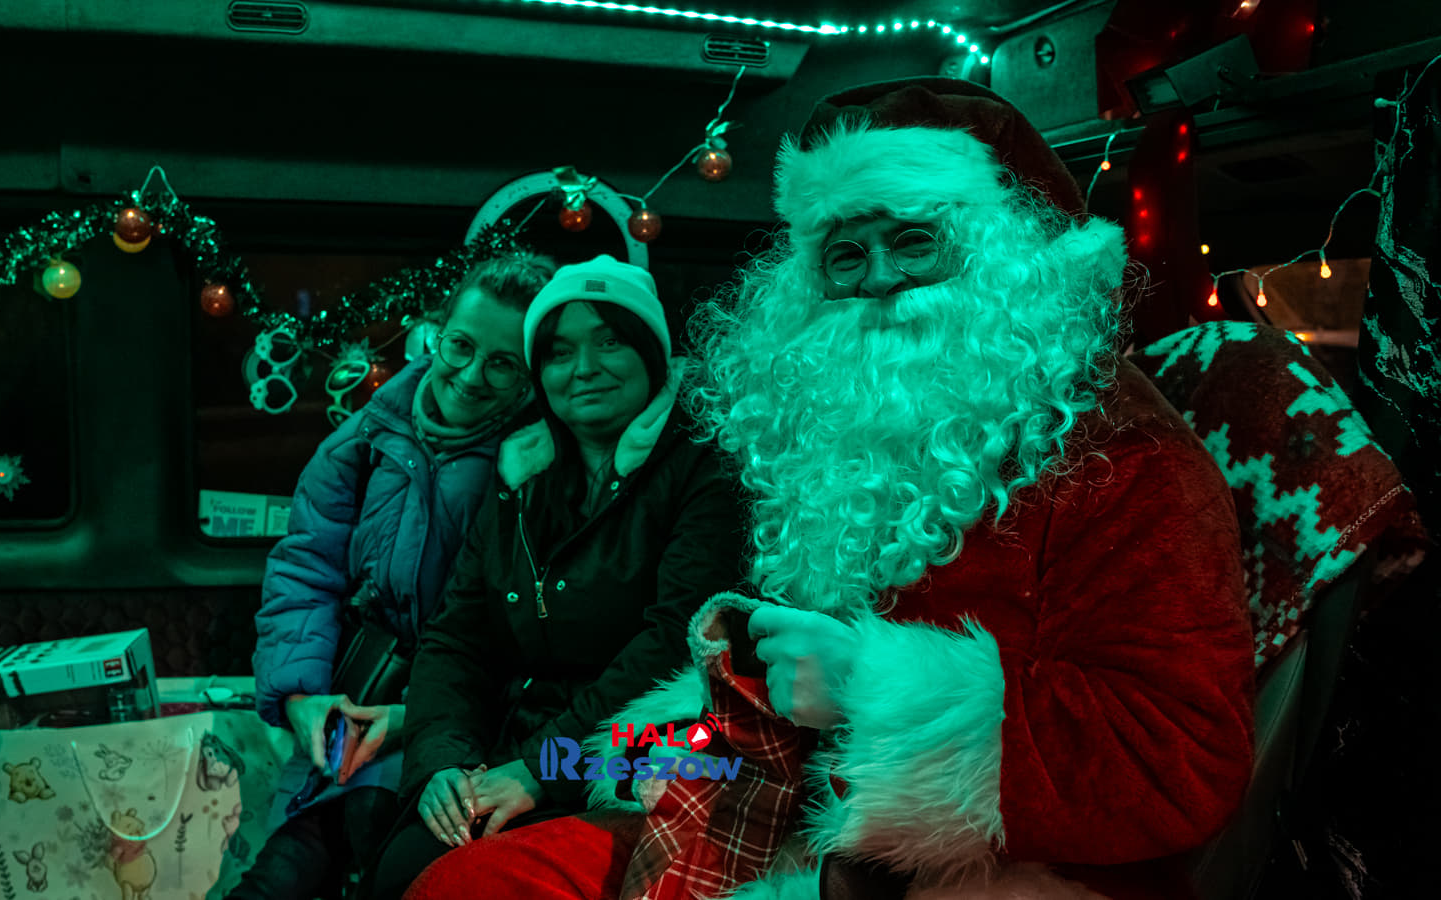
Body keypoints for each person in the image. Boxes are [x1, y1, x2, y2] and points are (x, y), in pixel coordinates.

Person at [402, 78, 1255, 900]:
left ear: (1004, 258)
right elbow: (731, 707)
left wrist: (870, 688)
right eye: (846, 255)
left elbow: (1181, 758)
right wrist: (570, 766)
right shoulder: (808, 452)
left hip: (993, 860)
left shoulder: (1122, 455)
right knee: (460, 879)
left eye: (914, 241)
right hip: (762, 800)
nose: (878, 278)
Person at [354, 254, 747, 900]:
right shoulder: (520, 476)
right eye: (559, 353)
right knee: (398, 866)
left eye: (610, 342)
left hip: (639, 754)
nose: (584, 368)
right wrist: (443, 764)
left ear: (652, 353)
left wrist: (542, 767)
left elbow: (676, 638)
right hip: (512, 748)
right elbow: (455, 638)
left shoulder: (702, 466)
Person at [233, 251, 555, 900]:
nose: (471, 376)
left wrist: (419, 716)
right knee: (286, 868)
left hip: (462, 716)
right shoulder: (365, 438)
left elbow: (529, 633)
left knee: (372, 836)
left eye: (502, 363)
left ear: (530, 374)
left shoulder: (538, 463)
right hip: (356, 691)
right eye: (460, 345)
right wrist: (301, 698)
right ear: (436, 330)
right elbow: (306, 567)